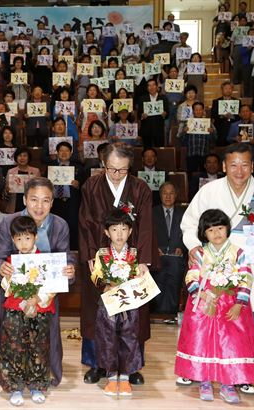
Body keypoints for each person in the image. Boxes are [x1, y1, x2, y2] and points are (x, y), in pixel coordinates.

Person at [180, 143, 254, 394]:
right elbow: (189, 224)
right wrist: (194, 247)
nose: (239, 170)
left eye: (244, 164)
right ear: (223, 166)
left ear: (252, 166)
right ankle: (202, 370)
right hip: (215, 274)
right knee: (208, 326)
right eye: (233, 165)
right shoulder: (209, 192)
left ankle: (246, 375)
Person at [78, 143, 155, 386]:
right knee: (96, 313)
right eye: (112, 169)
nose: (116, 174)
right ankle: (96, 364)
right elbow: (85, 222)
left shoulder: (140, 188)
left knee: (133, 313)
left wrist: (143, 259)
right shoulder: (91, 186)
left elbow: (146, 226)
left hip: (131, 259)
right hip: (101, 259)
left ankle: (132, 367)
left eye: (122, 170)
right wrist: (90, 254)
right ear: (103, 164)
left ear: (130, 167)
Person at [0, 177, 77, 388]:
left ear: (52, 202)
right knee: (13, 337)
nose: (39, 207)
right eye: (34, 200)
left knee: (47, 336)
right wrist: (1, 266)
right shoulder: (9, 222)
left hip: (45, 294)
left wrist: (69, 269)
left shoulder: (59, 224)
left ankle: (44, 376)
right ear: (24, 200)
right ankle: (13, 380)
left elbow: (66, 256)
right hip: (15, 295)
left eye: (45, 200)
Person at [175, 209, 254, 404]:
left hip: (230, 304)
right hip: (204, 304)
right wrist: (200, 293)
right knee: (203, 343)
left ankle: (228, 383)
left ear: (228, 229)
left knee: (230, 344)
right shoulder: (200, 253)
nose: (216, 234)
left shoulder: (237, 252)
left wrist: (240, 304)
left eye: (220, 228)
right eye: (211, 230)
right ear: (204, 233)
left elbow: (246, 277)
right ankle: (204, 381)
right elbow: (191, 275)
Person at [0, 216, 55, 406]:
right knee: (14, 347)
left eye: (27, 238)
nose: (23, 243)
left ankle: (37, 385)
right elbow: (7, 287)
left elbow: (52, 286)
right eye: (19, 239)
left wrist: (38, 298)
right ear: (13, 240)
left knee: (38, 347)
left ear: (35, 237)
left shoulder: (45, 260)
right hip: (15, 311)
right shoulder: (10, 262)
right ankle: (15, 387)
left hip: (39, 310)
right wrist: (10, 279)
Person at [89, 208, 143, 397]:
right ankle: (112, 378)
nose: (119, 234)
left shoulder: (136, 254)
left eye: (123, 229)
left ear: (130, 231)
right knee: (108, 338)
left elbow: (140, 275)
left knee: (129, 338)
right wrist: (105, 285)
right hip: (109, 303)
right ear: (106, 232)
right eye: (114, 229)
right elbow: (96, 274)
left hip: (130, 303)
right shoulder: (102, 254)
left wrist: (136, 278)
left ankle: (126, 378)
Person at [151, 182, 187, 314]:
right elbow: (147, 234)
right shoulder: (151, 212)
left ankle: (171, 312)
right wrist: (154, 249)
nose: (168, 196)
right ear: (160, 195)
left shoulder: (184, 213)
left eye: (171, 193)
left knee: (174, 278)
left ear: (176, 195)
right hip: (157, 256)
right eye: (164, 193)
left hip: (176, 257)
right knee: (159, 280)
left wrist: (182, 248)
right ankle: (159, 313)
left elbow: (189, 233)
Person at [49, 141, 83, 250]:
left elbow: (85, 185)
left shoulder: (78, 167)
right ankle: (56, 250)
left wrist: (79, 185)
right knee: (55, 227)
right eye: (61, 151)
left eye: (66, 151)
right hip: (55, 202)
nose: (64, 153)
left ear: (71, 152)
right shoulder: (51, 167)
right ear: (57, 152)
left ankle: (73, 251)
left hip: (71, 202)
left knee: (72, 227)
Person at [137, 78, 168, 148]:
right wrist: (142, 115)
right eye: (149, 86)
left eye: (153, 85)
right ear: (147, 88)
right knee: (147, 150)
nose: (151, 87)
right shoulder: (142, 99)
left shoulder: (163, 98)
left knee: (160, 149)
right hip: (146, 129)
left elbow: (167, 113)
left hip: (158, 129)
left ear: (157, 87)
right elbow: (139, 114)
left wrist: (164, 114)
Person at [210, 81, 240, 146]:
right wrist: (222, 116)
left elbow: (240, 116)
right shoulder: (216, 101)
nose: (228, 90)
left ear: (232, 90)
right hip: (220, 129)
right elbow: (213, 115)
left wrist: (232, 116)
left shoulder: (237, 101)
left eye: (230, 88)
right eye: (226, 88)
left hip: (233, 129)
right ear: (222, 90)